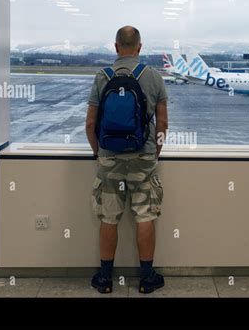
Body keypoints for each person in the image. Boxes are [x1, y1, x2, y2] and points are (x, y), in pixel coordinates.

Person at [85, 26, 169, 294]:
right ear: (140, 47)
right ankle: (146, 279)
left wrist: (98, 153)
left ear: (116, 47)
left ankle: (105, 279)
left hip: (109, 159)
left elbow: (89, 123)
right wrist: (154, 152)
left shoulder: (102, 77)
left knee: (109, 217)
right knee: (145, 215)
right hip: (143, 158)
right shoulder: (153, 76)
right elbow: (163, 122)